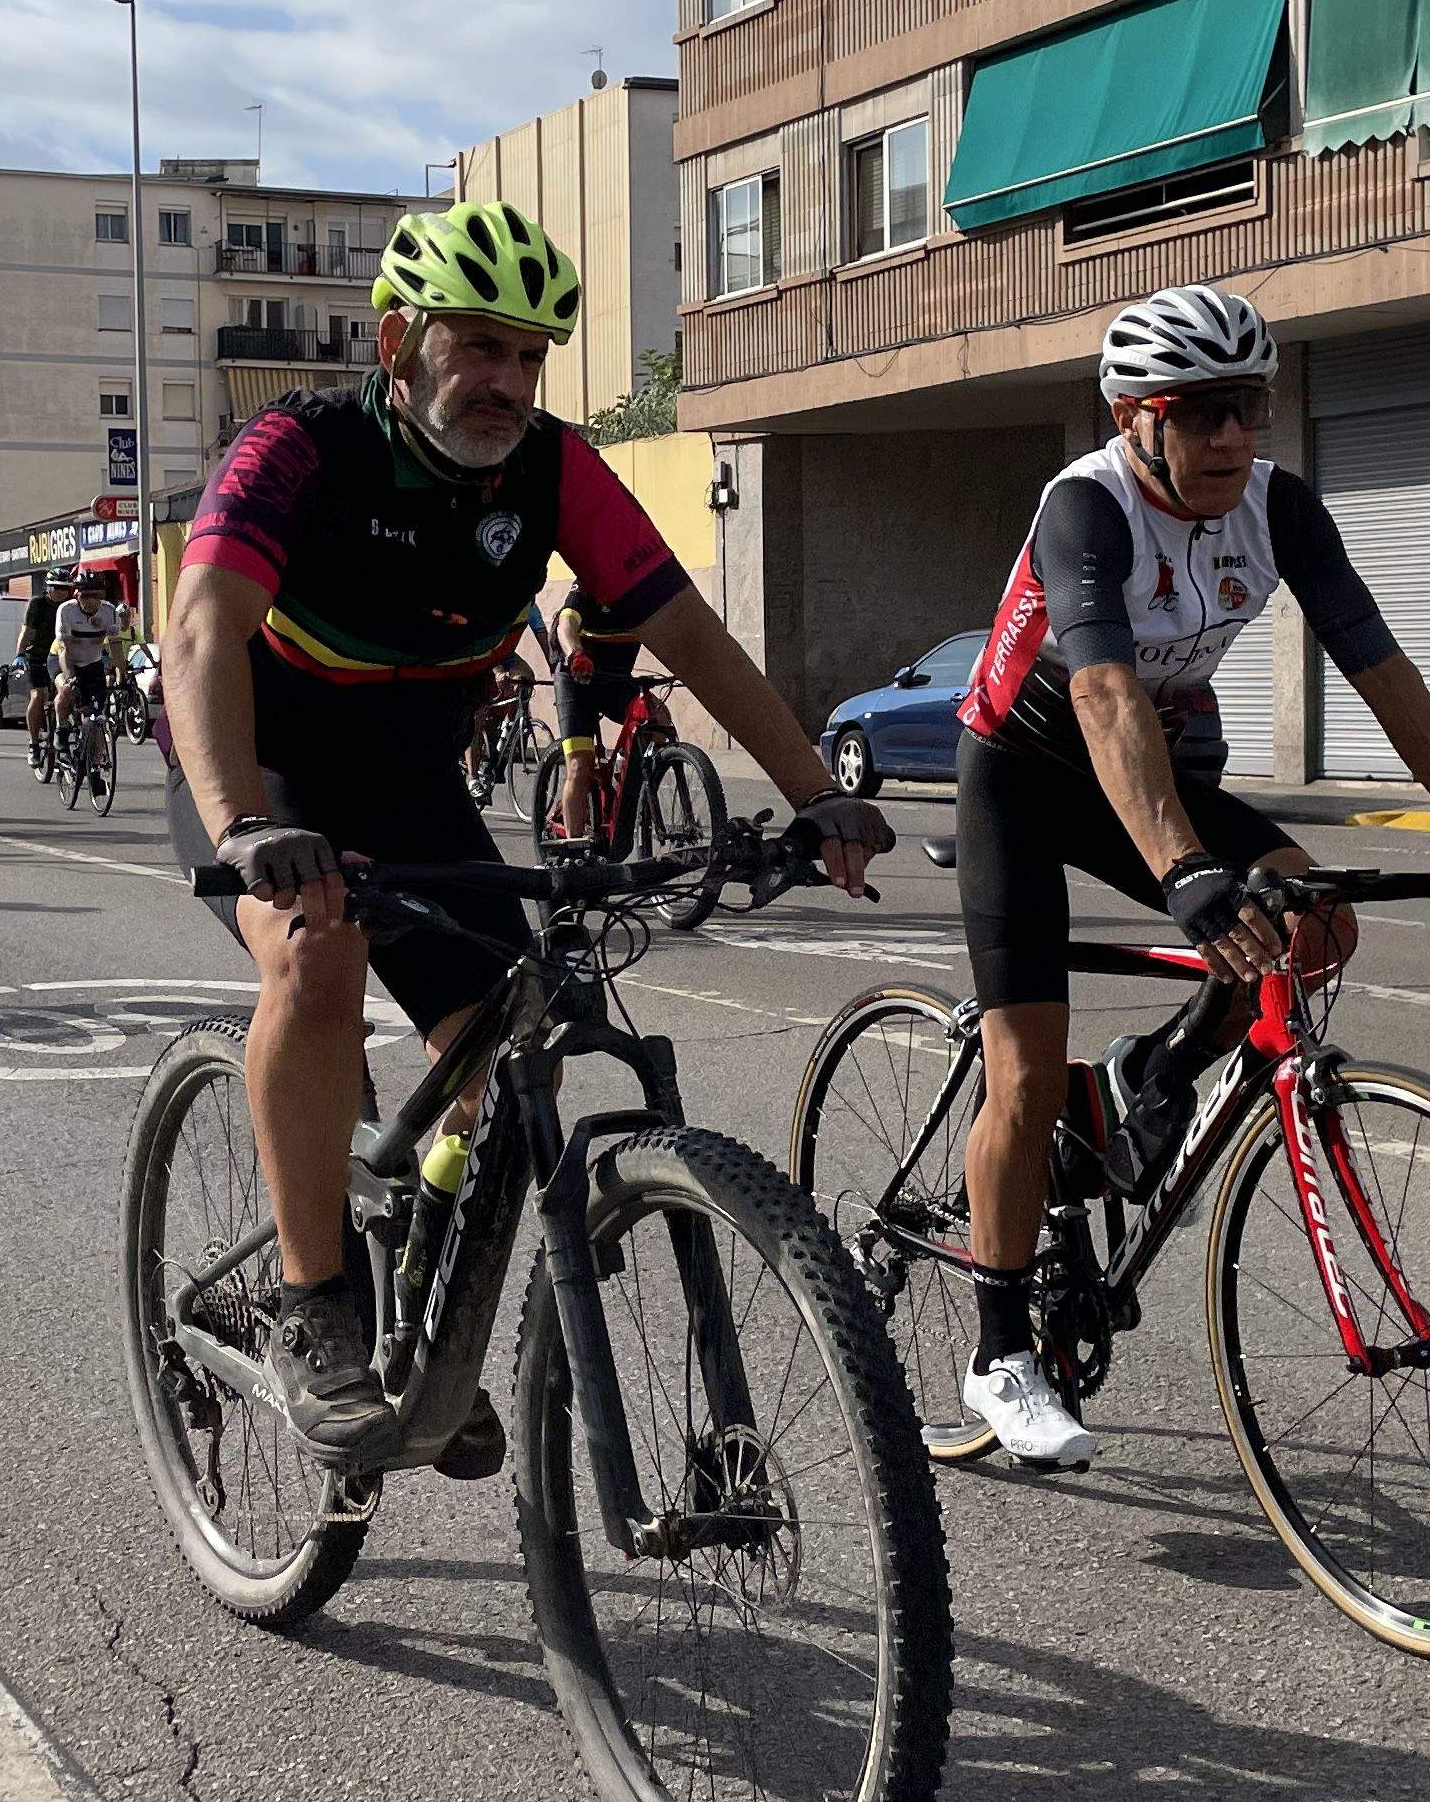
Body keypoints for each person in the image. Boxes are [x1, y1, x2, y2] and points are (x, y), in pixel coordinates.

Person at [163, 196, 892, 1472]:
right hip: (265, 763)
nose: (506, 379)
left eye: (529, 355)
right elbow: (201, 628)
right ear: (400, 342)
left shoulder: (553, 469)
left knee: (506, 1037)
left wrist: (812, 790)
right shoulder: (303, 447)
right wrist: (244, 822)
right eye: (478, 346)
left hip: (405, 776)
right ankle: (314, 1303)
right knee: (318, 956)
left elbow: (692, 635)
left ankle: (426, 1313)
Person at [947, 285, 1430, 1470]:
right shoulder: (1086, 507)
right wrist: (1183, 868)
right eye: (1200, 412)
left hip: (1155, 766)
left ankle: (1152, 1077)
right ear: (1134, 418)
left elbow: (1381, 669)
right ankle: (999, 1354)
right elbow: (1103, 692)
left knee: (1314, 924)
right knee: (1023, 1070)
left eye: (1248, 406)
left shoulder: (1280, 507)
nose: (1231, 434)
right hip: (1025, 776)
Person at [547, 581, 646, 840]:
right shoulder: (587, 587)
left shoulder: (645, 592)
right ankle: (574, 847)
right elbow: (566, 625)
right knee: (580, 765)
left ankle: (644, 786)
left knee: (657, 719)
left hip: (616, 680)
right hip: (577, 678)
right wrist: (575, 654)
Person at [55, 573, 128, 748]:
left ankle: (93, 759)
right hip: (65, 660)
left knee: (96, 714)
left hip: (92, 663)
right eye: (85, 596)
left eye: (96, 596)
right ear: (77, 595)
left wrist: (122, 675)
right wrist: (70, 677)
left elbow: (115, 646)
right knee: (66, 691)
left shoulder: (109, 611)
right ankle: (61, 730)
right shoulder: (66, 610)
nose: (90, 601)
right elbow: (63, 649)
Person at [18, 575, 65, 742]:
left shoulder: (69, 606)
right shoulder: (38, 604)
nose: (61, 592)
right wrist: (20, 654)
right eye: (57, 588)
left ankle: (63, 732)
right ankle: (33, 742)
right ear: (48, 588)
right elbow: (27, 631)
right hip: (37, 655)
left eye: (65, 588)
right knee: (37, 696)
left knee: (67, 693)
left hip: (60, 656)